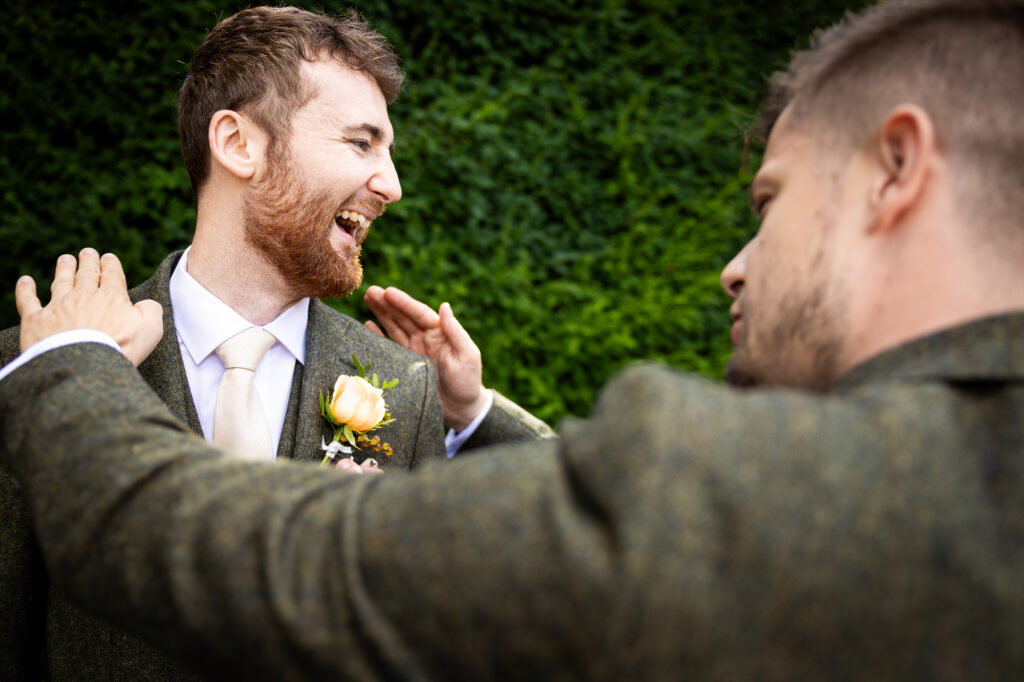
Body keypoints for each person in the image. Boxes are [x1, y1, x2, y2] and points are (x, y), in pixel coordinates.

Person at [3, 0, 1024, 678]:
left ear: (898, 171)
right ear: (235, 142)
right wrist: (478, 415)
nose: (735, 261)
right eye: (361, 142)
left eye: (770, 197)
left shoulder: (384, 388)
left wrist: (66, 376)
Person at [0, 7, 550, 681]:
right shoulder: (35, 366)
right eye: (360, 143)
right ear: (237, 144)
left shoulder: (404, 389)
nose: (393, 185)